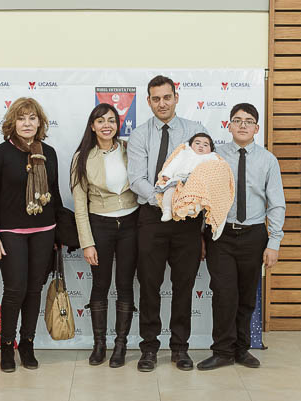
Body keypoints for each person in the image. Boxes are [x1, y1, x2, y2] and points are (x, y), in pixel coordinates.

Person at [127, 75, 208, 372]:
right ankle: (148, 348)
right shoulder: (139, 135)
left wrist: (183, 203)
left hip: (187, 220)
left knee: (184, 285)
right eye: (156, 99)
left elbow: (205, 172)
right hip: (152, 216)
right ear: (148, 101)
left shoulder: (195, 131)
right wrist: (164, 201)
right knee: (149, 285)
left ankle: (180, 348)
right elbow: (136, 179)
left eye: (167, 97)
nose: (162, 103)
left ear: (176, 97)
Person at [197, 103, 285, 371]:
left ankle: (242, 349)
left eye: (248, 121)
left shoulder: (268, 160)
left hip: (254, 235)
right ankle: (222, 351)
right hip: (221, 234)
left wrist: (274, 243)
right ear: (229, 126)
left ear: (256, 128)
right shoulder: (214, 158)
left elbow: (276, 204)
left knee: (247, 296)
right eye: (237, 120)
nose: (243, 125)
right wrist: (200, 236)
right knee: (224, 294)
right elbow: (201, 197)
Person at [0, 97, 62, 373]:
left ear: (40, 123)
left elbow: (55, 194)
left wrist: (59, 235)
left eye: (32, 118)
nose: (27, 123)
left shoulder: (49, 153)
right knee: (15, 290)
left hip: (44, 232)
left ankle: (27, 344)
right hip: (10, 233)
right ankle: (7, 346)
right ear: (12, 123)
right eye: (21, 118)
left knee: (34, 289)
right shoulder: (0, 154)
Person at [71, 103, 139, 368]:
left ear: (118, 124)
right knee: (100, 285)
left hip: (131, 224)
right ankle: (99, 345)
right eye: (101, 121)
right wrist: (87, 243)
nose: (106, 125)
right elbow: (79, 205)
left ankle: (120, 345)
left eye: (111, 120)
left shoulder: (129, 149)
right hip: (99, 225)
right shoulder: (82, 157)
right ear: (92, 126)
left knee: (125, 285)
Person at [156, 132, 218, 222]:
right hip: (179, 179)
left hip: (196, 182)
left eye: (205, 145)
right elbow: (174, 164)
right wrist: (167, 174)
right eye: (197, 143)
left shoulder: (211, 158)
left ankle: (193, 208)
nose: (201, 146)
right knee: (169, 191)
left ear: (211, 149)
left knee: (200, 196)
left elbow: (214, 171)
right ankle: (167, 211)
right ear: (190, 145)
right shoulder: (184, 153)